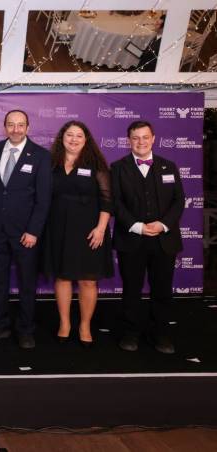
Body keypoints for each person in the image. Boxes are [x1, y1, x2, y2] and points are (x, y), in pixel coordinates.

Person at [111, 120, 184, 354]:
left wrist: (163, 224)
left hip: (164, 240)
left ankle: (160, 333)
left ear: (153, 139)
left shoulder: (169, 166)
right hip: (132, 239)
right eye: (135, 138)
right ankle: (131, 333)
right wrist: (137, 226)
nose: (140, 142)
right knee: (131, 289)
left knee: (162, 289)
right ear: (128, 141)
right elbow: (116, 203)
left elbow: (179, 201)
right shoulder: (117, 168)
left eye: (145, 137)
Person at [0, 110, 51, 349]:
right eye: (11, 125)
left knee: (27, 282)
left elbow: (44, 199)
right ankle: (0, 325)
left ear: (28, 128)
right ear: (5, 127)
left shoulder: (41, 155)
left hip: (26, 233)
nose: (15, 129)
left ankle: (25, 329)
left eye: (20, 125)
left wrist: (33, 231)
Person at [44, 120, 113, 347]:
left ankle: (85, 325)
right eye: (69, 135)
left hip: (89, 231)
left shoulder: (96, 165)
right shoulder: (51, 164)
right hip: (57, 228)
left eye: (79, 136)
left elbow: (107, 199)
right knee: (62, 277)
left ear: (86, 140)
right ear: (62, 138)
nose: (73, 139)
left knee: (87, 280)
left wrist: (101, 228)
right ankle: (64, 324)